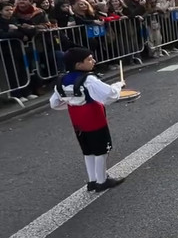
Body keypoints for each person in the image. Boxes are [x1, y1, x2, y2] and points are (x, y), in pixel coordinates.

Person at [49, 47, 126, 192]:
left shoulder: (62, 80)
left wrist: (73, 103)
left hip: (77, 122)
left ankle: (92, 180)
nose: (93, 61)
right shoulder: (89, 79)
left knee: (88, 150)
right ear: (78, 65)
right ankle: (102, 181)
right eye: (89, 59)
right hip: (94, 119)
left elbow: (54, 103)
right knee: (101, 150)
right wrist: (118, 86)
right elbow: (109, 95)